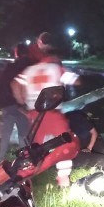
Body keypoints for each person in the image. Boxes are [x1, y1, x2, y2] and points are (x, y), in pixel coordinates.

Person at [12, 32, 80, 187]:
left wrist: (23, 104)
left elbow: (15, 85)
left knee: (33, 151)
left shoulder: (30, 70)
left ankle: (22, 180)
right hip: (53, 113)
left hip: (35, 114)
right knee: (66, 144)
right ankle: (63, 179)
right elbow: (76, 81)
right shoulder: (56, 69)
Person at [0, 42, 33, 159]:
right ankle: (25, 161)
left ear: (16, 53)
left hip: (7, 104)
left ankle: (0, 160)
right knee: (23, 135)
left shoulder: (9, 68)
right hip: (21, 105)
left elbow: (0, 85)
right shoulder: (30, 67)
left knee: (6, 134)